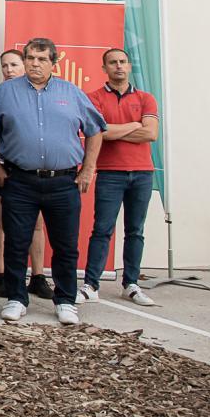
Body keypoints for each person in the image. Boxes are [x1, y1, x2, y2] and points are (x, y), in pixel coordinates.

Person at [0, 37, 106, 326]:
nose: (35, 64)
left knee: (65, 245)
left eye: (41, 59)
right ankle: (16, 298)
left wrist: (88, 168)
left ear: (54, 62)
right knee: (16, 242)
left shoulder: (72, 93)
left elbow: (95, 129)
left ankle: (65, 300)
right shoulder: (3, 93)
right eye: (30, 58)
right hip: (19, 180)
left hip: (63, 182)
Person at [82, 49, 160, 307]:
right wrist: (133, 125)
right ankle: (91, 285)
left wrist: (114, 131)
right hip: (110, 172)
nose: (119, 66)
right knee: (102, 229)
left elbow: (150, 134)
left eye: (123, 62)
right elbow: (99, 133)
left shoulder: (145, 98)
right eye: (113, 62)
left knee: (135, 231)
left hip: (142, 173)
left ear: (128, 66)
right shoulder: (94, 98)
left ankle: (131, 284)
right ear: (104, 67)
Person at [0, 48, 49, 300]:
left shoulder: (36, 94)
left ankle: (37, 276)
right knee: (4, 219)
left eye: (13, 65)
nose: (8, 70)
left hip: (32, 169)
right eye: (4, 65)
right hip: (4, 167)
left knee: (36, 222)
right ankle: (0, 275)